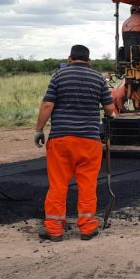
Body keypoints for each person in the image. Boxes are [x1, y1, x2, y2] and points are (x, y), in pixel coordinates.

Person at [34, 45, 116, 242]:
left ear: (70, 58)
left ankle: (54, 229)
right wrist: (111, 115)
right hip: (89, 141)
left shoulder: (59, 76)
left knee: (58, 184)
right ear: (89, 60)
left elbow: (47, 105)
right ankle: (87, 228)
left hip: (61, 140)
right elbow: (109, 109)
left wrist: (39, 130)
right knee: (87, 185)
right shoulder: (98, 79)